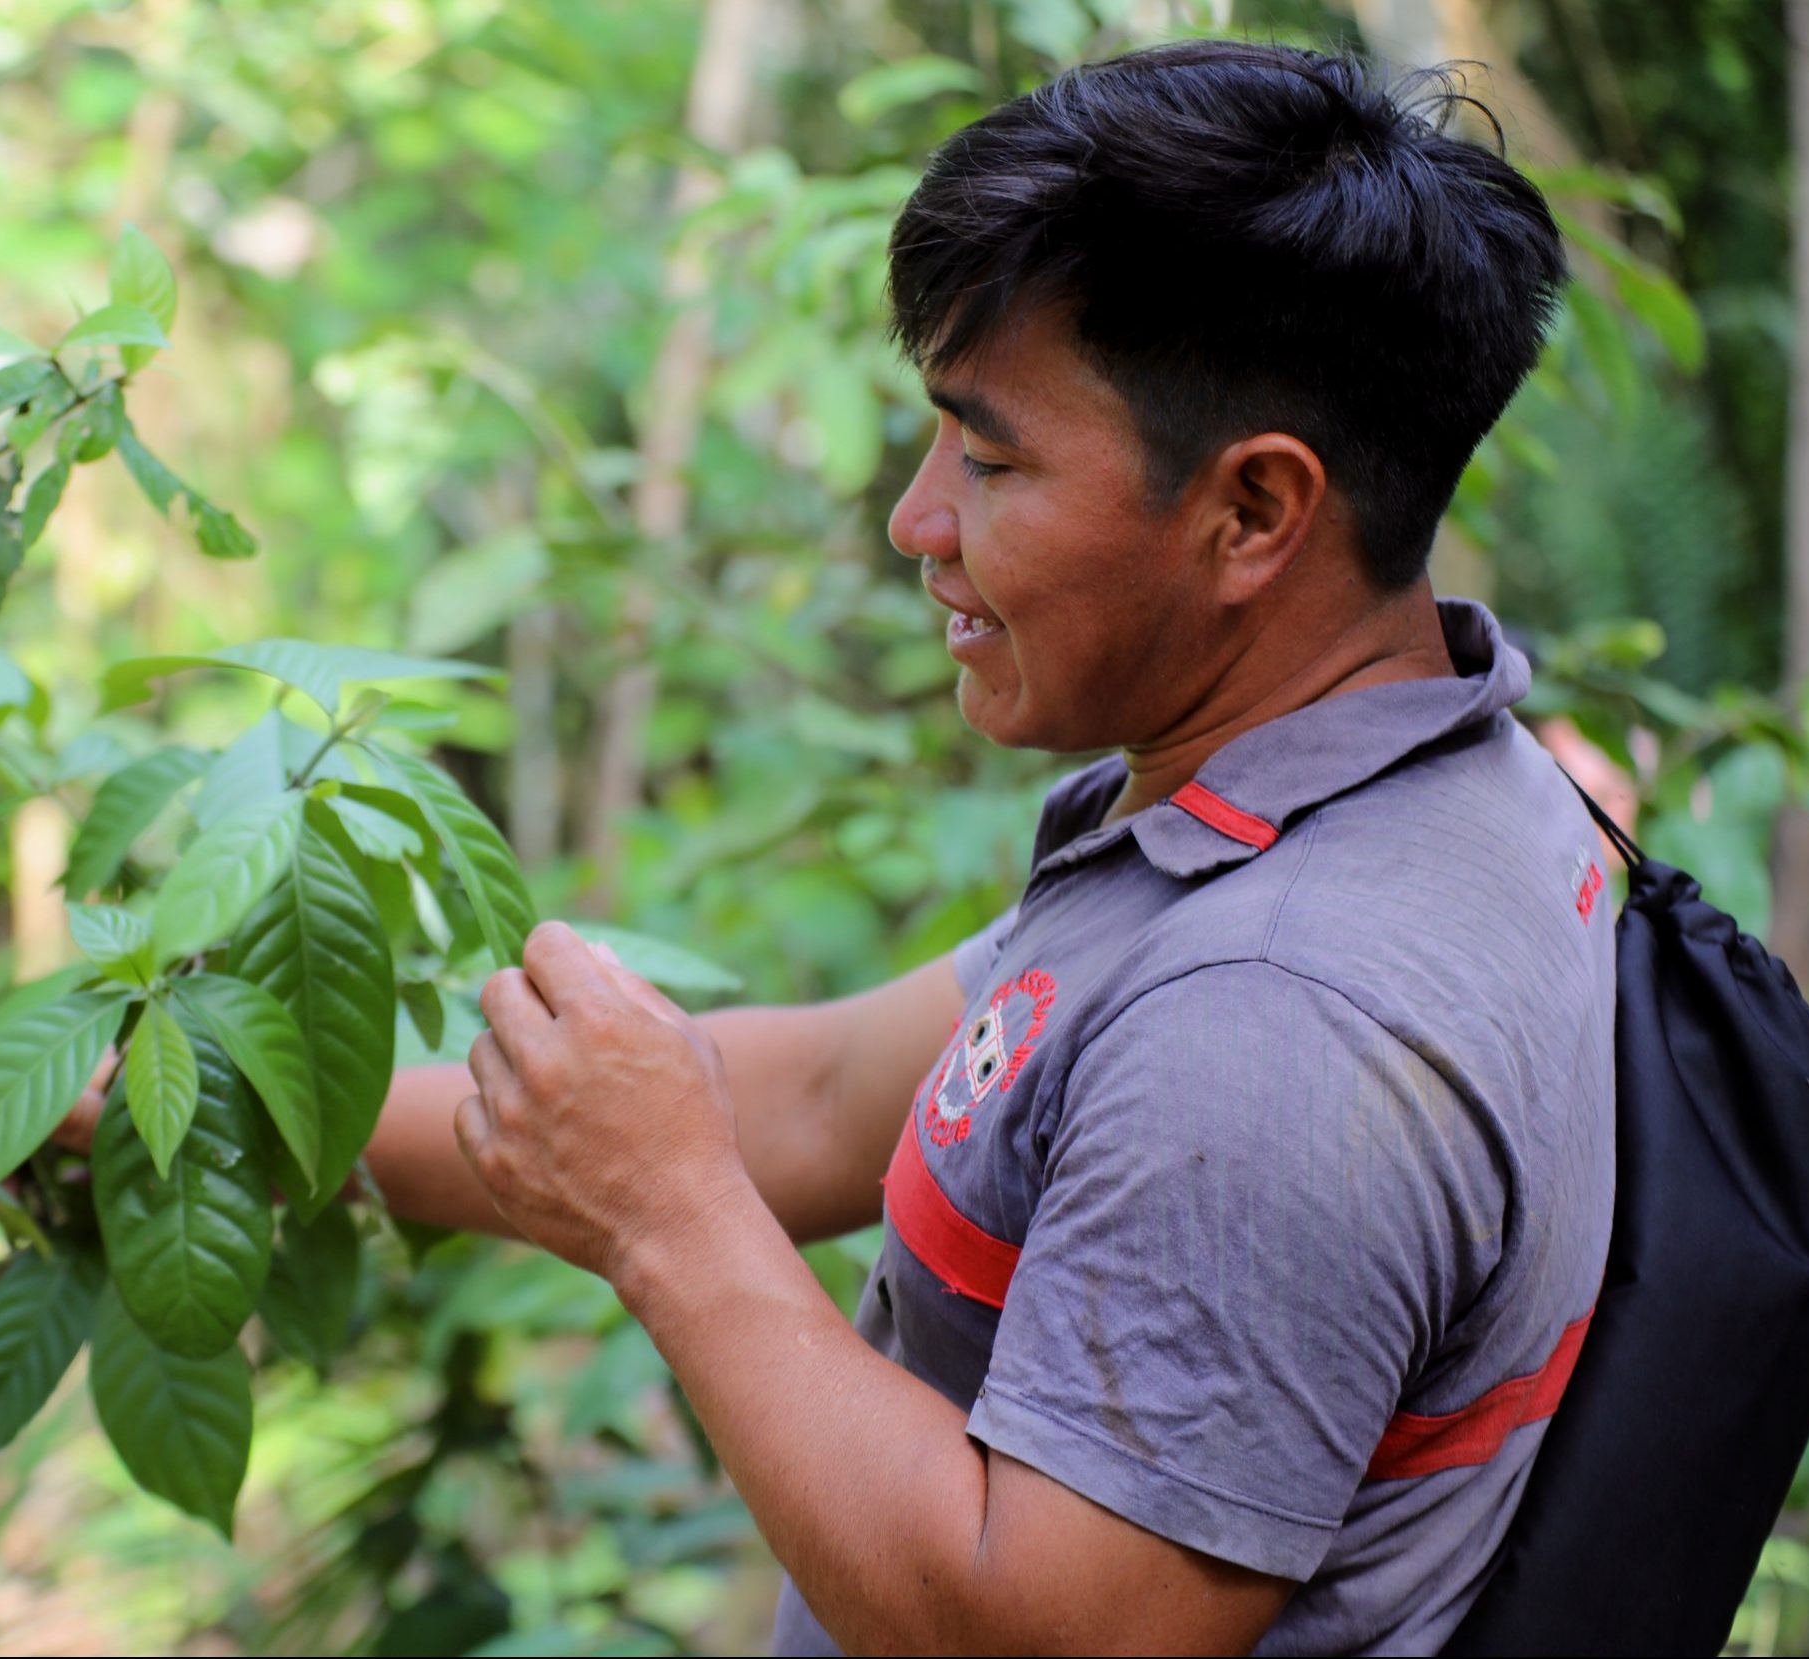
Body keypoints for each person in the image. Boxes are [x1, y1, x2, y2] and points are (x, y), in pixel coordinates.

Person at [79, 39, 1614, 1656]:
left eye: (993, 458)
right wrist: (229, 1110)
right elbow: (812, 1098)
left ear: (1253, 513)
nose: (916, 519)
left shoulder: (1276, 1027)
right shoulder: (1396, 793)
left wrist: (667, 1222)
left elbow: (1047, 1636)